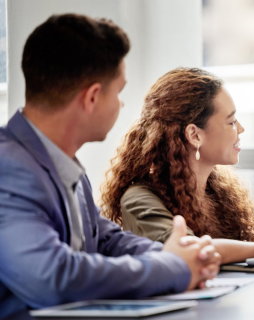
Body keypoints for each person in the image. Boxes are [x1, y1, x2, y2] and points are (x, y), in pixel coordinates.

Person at [0, 14, 220, 318]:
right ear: (92, 98)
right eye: (118, 92)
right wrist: (171, 267)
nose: (121, 104)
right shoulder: (8, 167)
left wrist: (186, 255)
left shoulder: (61, 162)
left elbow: (104, 239)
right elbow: (52, 276)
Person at [100, 67, 254, 264]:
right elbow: (190, 251)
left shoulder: (219, 194)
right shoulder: (139, 199)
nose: (241, 129)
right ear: (195, 135)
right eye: (231, 122)